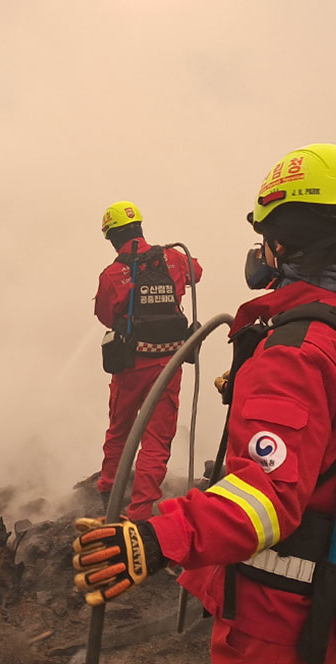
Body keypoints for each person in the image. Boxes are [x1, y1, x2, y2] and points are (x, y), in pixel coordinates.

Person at [73, 145, 336, 663]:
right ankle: (130, 495)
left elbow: (267, 498)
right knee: (156, 439)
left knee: (124, 432)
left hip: (278, 626)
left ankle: (120, 494)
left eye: (262, 235)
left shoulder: (292, 353)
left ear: (279, 240)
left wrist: (155, 539)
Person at [95, 200, 202, 522]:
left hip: (131, 365)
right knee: (157, 440)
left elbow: (105, 316)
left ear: (112, 237)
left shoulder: (113, 274)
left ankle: (108, 493)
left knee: (120, 430)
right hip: (170, 364)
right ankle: (139, 513)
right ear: (140, 227)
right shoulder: (173, 257)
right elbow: (197, 272)